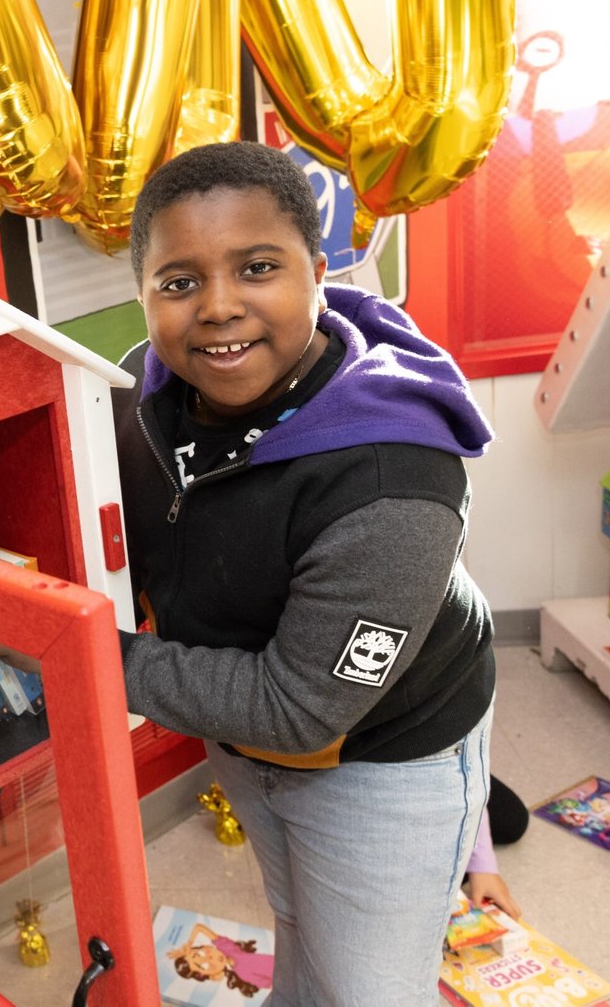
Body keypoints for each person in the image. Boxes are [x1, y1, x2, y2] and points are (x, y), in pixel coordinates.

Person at [110, 141, 497, 1004]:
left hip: (389, 751)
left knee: (369, 987)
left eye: (257, 268)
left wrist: (87, 657)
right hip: (247, 729)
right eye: (177, 282)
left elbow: (300, 707)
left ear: (317, 274)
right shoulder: (147, 391)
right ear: (141, 297)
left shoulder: (391, 477)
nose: (217, 308)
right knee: (301, 921)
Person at [166, 920, 274, 998]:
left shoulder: (227, 948)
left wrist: (189, 944)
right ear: (206, 974)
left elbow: (199, 927)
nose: (209, 958)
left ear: (204, 946)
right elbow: (274, 985)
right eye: (204, 965)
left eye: (201, 953)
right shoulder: (243, 975)